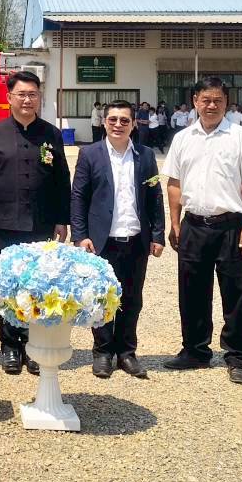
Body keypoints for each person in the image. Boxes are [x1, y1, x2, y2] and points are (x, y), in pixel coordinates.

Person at [161, 77, 242, 384]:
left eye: (217, 100)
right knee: (192, 291)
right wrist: (174, 222)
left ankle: (237, 355)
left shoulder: (240, 137)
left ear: (226, 102)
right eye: (205, 100)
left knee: (237, 292)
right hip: (193, 225)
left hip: (231, 226)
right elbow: (174, 183)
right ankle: (195, 350)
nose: (211, 106)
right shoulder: (183, 138)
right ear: (195, 101)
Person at [0, 69, 70, 376]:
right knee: (8, 284)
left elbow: (62, 179)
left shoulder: (51, 134)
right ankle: (9, 346)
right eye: (22, 94)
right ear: (9, 97)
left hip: (42, 223)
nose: (27, 100)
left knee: (38, 285)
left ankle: (34, 344)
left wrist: (62, 219)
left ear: (39, 97)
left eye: (33, 94)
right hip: (5, 223)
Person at [71, 100, 165, 380]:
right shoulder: (90, 154)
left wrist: (157, 234)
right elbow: (79, 197)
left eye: (125, 120)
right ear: (104, 122)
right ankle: (102, 352)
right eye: (113, 119)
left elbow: (154, 196)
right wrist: (80, 235)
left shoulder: (145, 156)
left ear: (134, 124)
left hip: (136, 239)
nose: (118, 125)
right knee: (101, 298)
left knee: (132, 299)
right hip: (101, 242)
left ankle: (126, 352)